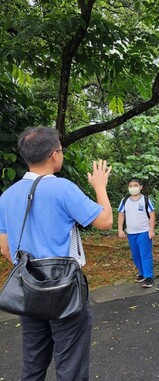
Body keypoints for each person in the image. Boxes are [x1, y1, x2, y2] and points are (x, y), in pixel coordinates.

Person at [0, 126, 113, 381]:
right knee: (70, 367)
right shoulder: (63, 189)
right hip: (65, 290)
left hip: (28, 291)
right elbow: (105, 221)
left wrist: (32, 274)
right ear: (54, 155)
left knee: (32, 366)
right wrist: (100, 186)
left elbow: (5, 248)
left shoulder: (6, 197)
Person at [118, 178, 156, 288]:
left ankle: (149, 277)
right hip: (131, 233)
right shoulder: (125, 200)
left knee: (145, 254)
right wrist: (120, 229)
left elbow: (152, 214)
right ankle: (142, 273)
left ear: (141, 187)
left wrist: (151, 230)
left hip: (144, 232)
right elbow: (121, 215)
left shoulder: (145, 200)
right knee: (135, 255)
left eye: (135, 185)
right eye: (131, 186)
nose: (133, 187)